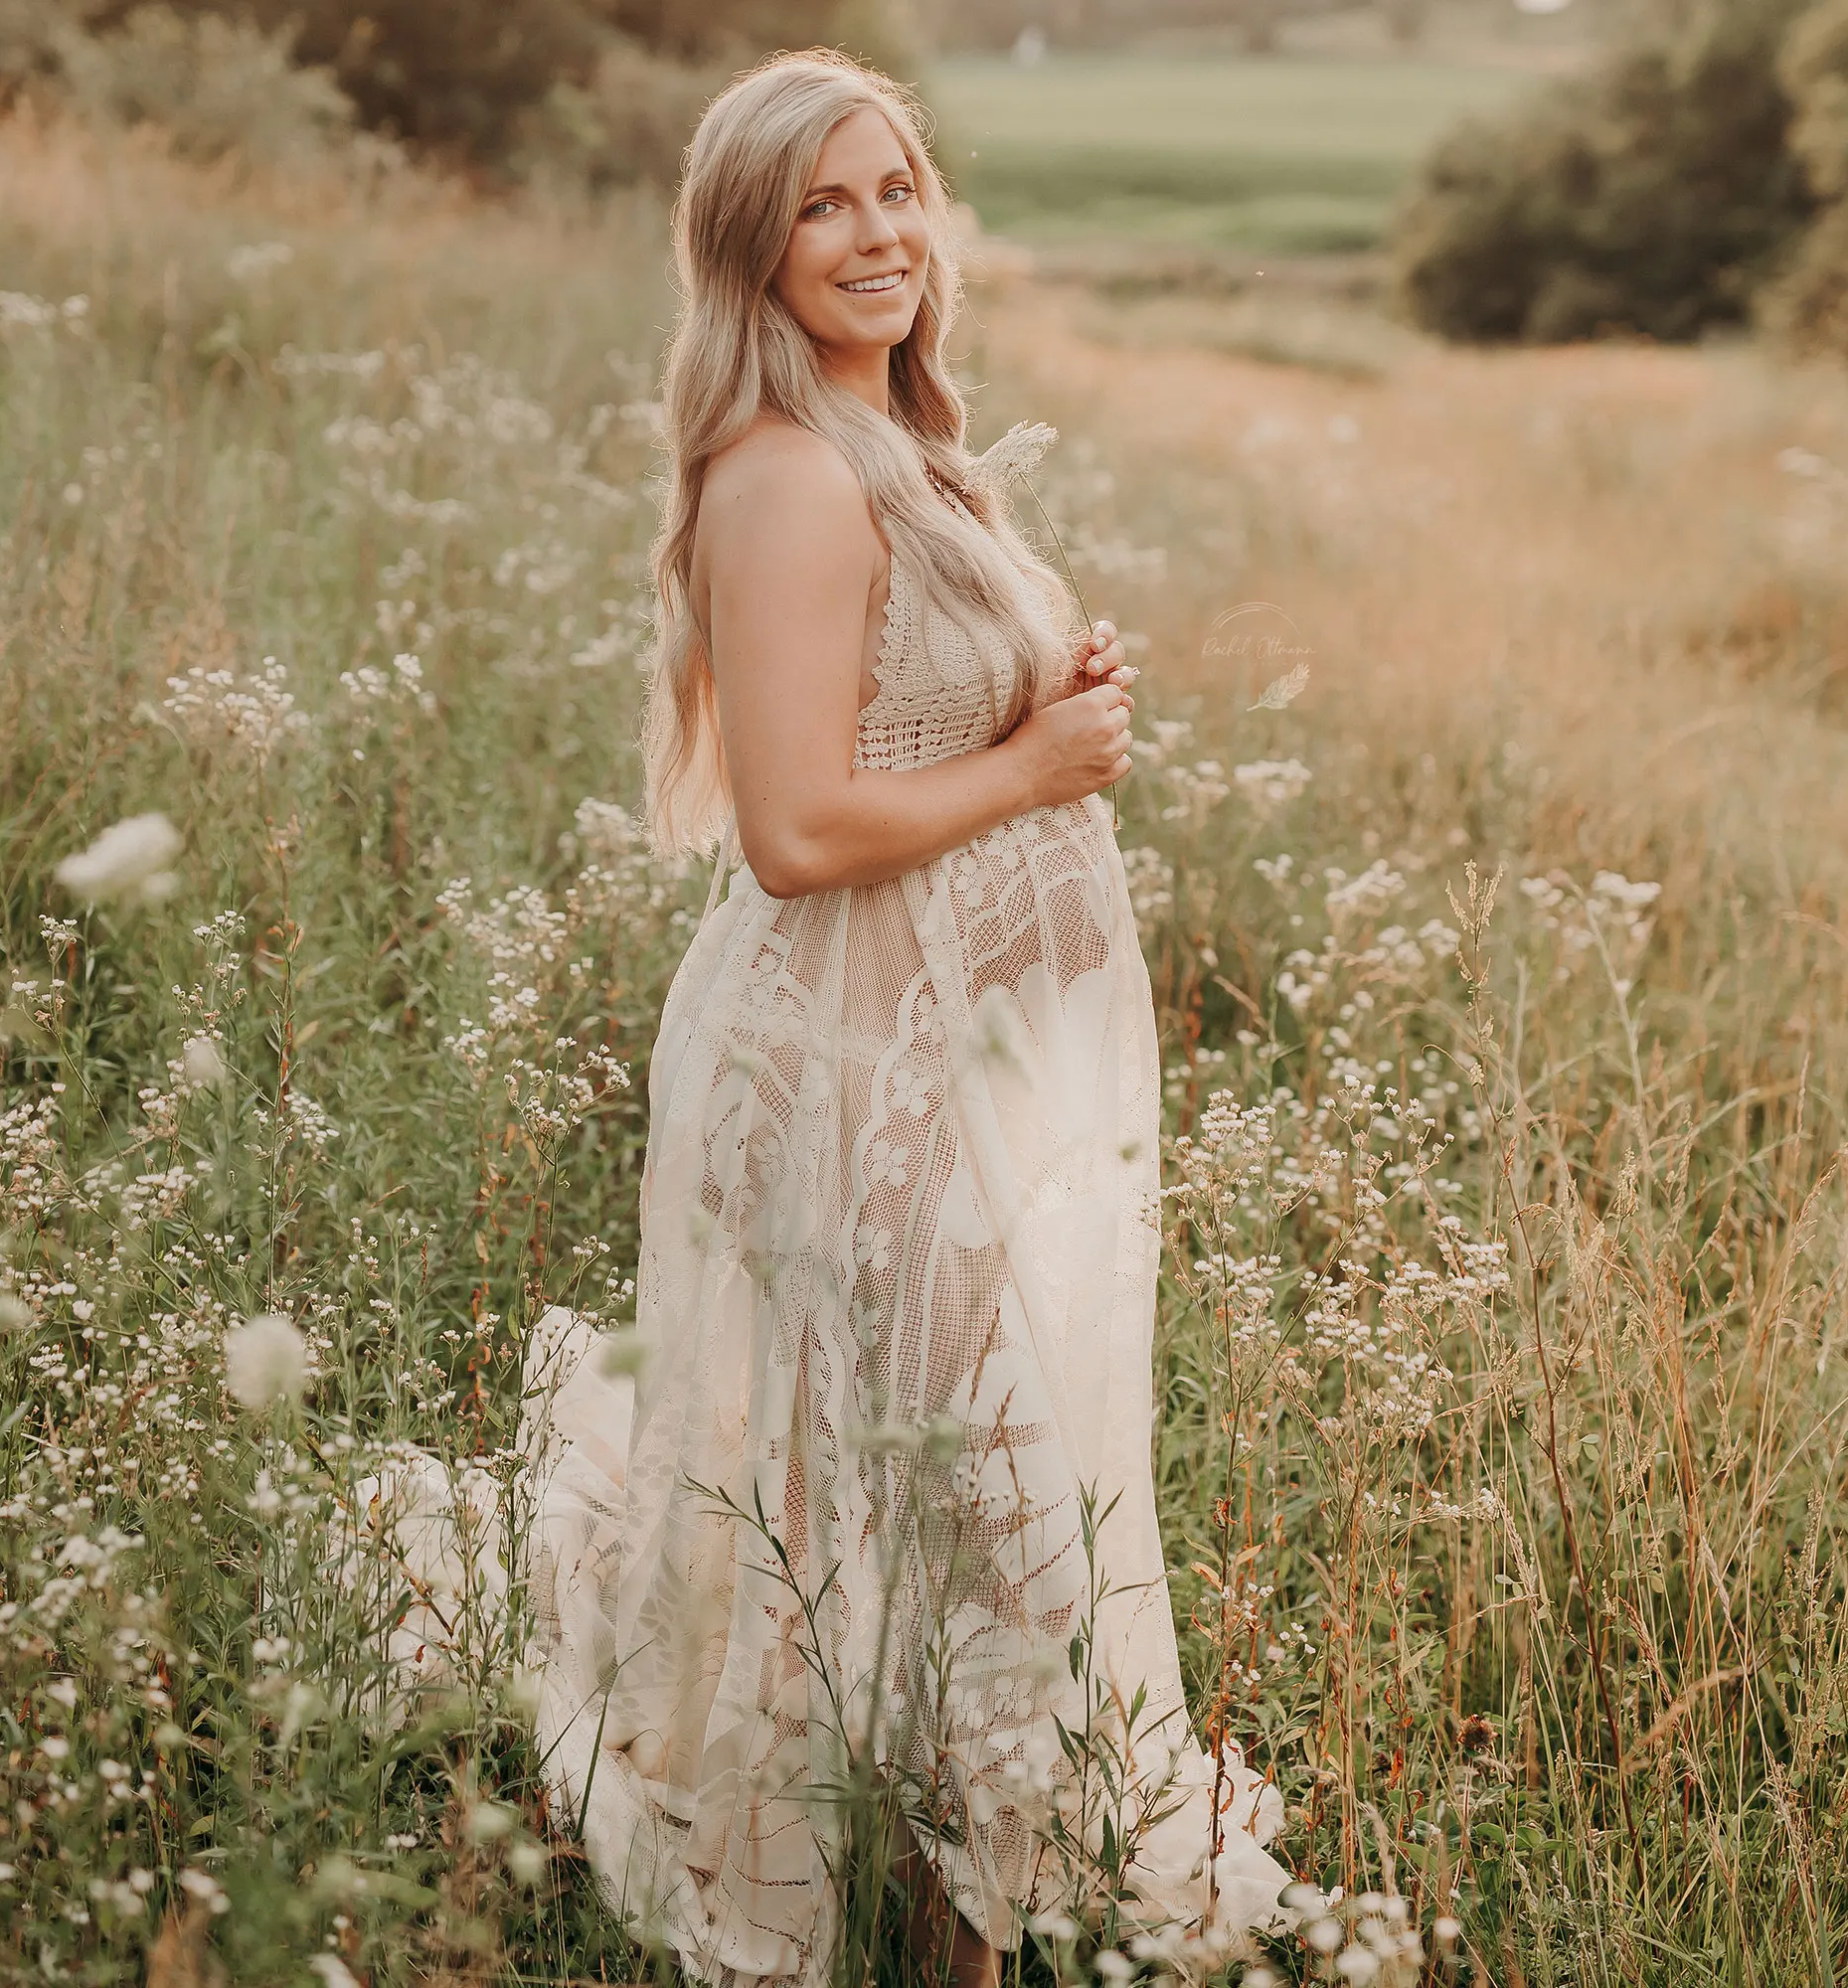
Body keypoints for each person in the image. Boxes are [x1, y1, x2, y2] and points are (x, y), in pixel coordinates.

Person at [524, 50, 1290, 1988]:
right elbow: (792, 833)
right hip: (854, 1076)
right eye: (824, 204)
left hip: (961, 1074)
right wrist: (1037, 766)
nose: (876, 233)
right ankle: (946, 1914)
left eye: (896, 189)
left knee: (946, 1498)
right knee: (973, 1508)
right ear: (751, 252)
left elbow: (904, 710)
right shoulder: (785, 475)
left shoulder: (900, 444)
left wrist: (1044, 681)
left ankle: (960, 1895)